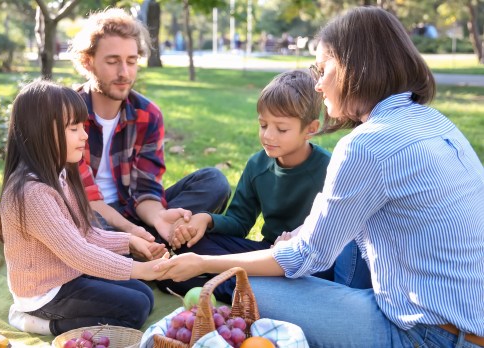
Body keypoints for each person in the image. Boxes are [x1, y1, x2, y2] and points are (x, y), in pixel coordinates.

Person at [155, 7, 484, 347]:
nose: (317, 83)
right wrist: (296, 236)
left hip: (427, 335)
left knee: (248, 286)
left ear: (353, 69)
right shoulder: (434, 121)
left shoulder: (366, 145)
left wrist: (201, 263)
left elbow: (304, 256)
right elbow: (351, 219)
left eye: (322, 68)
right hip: (469, 322)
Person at [156, 70, 370, 302]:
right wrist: (206, 220)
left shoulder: (329, 168)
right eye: (263, 125)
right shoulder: (257, 165)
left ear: (310, 128)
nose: (268, 135)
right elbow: (239, 222)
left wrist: (299, 241)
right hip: (267, 253)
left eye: (281, 129)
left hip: (312, 261)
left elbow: (337, 234)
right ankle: (249, 290)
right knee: (191, 247)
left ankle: (240, 290)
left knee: (317, 276)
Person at [0, 80, 168, 336]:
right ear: (42, 131)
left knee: (143, 293)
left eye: (83, 127)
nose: (84, 135)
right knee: (135, 308)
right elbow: (79, 252)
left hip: (68, 275)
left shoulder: (60, 175)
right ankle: (39, 323)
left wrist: (130, 241)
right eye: (74, 128)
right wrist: (141, 269)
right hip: (45, 293)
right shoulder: (31, 193)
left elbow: (85, 234)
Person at [69, 8, 231, 253]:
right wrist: (131, 231)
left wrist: (158, 219)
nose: (124, 72)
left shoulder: (148, 114)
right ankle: (138, 249)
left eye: (131, 61)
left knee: (214, 181)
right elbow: (85, 198)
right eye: (113, 62)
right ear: (88, 61)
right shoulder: (67, 113)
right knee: (81, 221)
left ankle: (144, 246)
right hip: (90, 214)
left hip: (132, 214)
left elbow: (145, 190)